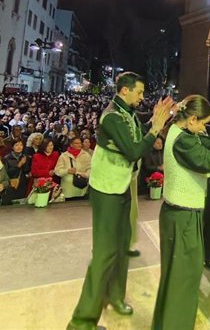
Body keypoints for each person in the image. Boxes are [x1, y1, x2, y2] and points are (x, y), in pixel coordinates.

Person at [68, 72, 173, 330]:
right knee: (104, 253)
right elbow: (135, 149)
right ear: (124, 90)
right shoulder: (112, 115)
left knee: (122, 245)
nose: (142, 97)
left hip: (122, 186)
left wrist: (156, 120)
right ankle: (80, 322)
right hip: (107, 190)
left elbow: (138, 133)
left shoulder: (127, 111)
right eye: (139, 92)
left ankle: (114, 295)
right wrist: (156, 128)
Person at [151, 95, 210, 330]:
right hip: (183, 218)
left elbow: (207, 147)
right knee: (184, 280)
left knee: (177, 279)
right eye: (203, 123)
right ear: (191, 119)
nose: (204, 129)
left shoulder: (180, 133)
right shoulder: (184, 142)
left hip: (180, 215)